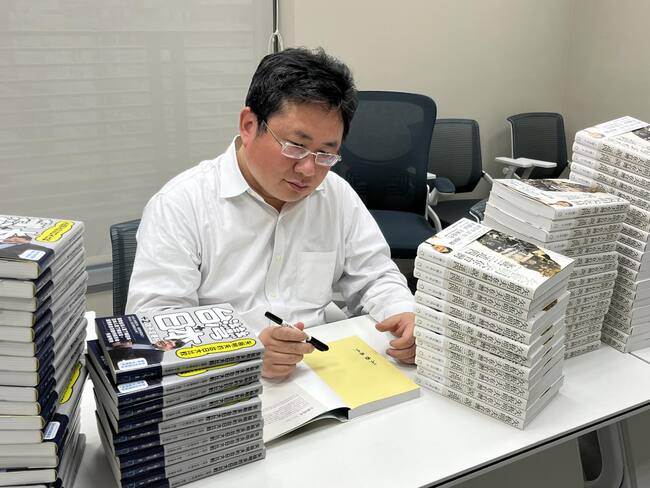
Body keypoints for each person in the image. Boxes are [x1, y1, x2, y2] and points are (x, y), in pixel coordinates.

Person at [126, 47, 416, 379]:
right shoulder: (181, 204)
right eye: (295, 147)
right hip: (226, 385)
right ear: (249, 125)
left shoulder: (335, 195)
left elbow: (375, 276)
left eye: (326, 153)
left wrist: (403, 314)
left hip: (322, 371)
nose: (308, 170)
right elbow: (155, 325)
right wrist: (244, 353)